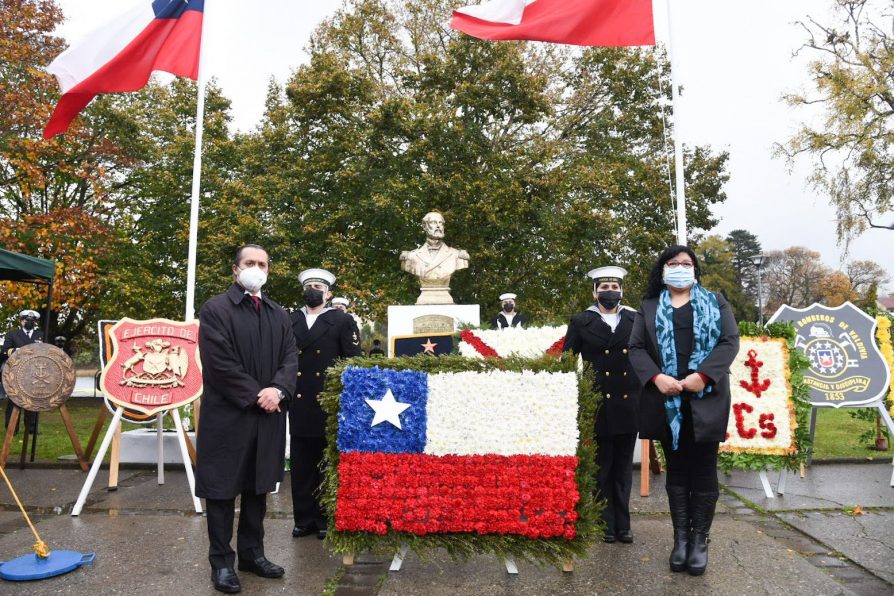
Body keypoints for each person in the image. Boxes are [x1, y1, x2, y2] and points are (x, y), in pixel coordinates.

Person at [628, 245, 739, 576]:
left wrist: (701, 376)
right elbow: (635, 348)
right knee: (677, 471)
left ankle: (699, 540)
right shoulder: (648, 307)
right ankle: (680, 541)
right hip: (666, 400)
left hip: (706, 397)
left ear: (695, 270)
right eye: (673, 263)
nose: (679, 268)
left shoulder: (715, 301)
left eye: (686, 263)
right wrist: (657, 378)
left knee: (704, 469)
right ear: (662, 270)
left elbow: (729, 342)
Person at [195, 244, 298, 594]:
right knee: (222, 491)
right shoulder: (216, 309)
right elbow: (219, 363)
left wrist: (279, 390)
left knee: (259, 487)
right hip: (229, 416)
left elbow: (289, 359)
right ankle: (221, 562)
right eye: (250, 263)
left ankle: (253, 554)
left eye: (263, 264)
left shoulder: (278, 313)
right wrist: (258, 394)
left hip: (268, 415)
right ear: (235, 270)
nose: (257, 268)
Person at [564, 266, 641, 544]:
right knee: (602, 466)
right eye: (604, 287)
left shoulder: (635, 318)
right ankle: (605, 522)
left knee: (623, 467)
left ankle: (624, 523)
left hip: (628, 402)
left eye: (614, 287)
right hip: (598, 402)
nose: (610, 292)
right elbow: (567, 360)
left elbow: (647, 355)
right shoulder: (581, 320)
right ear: (594, 291)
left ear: (621, 289)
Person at [290, 268, 363, 539]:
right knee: (300, 464)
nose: (313, 290)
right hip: (297, 399)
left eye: (318, 286)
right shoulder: (290, 320)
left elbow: (352, 359)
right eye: (309, 285)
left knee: (325, 462)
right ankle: (303, 518)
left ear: (329, 293)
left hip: (328, 400)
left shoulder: (341, 321)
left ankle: (323, 518)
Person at [400, 211, 470, 304]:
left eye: (441, 223)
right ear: (424, 226)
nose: (438, 226)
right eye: (433, 222)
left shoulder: (456, 255)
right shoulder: (412, 257)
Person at [2, 309, 44, 433]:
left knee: (34, 400)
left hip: (34, 372)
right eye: (26, 320)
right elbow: (5, 351)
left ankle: (32, 428)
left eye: (32, 321)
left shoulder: (40, 334)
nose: (29, 322)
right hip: (16, 371)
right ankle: (12, 428)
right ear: (21, 321)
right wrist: (18, 350)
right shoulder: (12, 334)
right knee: (14, 400)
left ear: (35, 322)